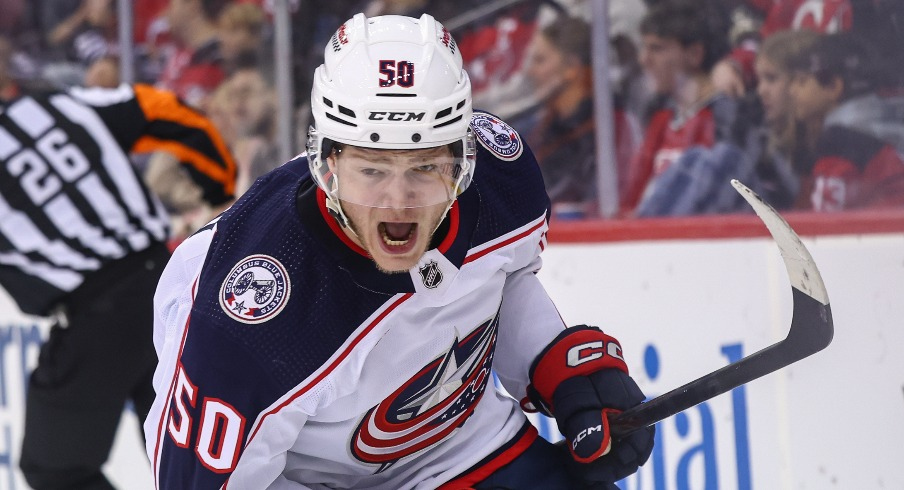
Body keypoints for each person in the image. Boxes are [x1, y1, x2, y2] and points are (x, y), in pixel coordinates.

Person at [145, 12, 654, 489]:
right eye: (372, 170)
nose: (399, 202)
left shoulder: (502, 182)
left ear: (462, 160)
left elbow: (504, 278)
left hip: (457, 445)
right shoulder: (245, 321)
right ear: (329, 166)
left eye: (425, 167)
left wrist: (558, 364)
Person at [0, 83, 236, 489]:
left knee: (56, 470)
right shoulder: (59, 104)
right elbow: (170, 111)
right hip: (171, 287)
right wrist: (220, 190)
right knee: (190, 464)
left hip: (97, 317)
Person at [619, 0, 738, 214]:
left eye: (657, 48)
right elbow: (633, 202)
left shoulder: (725, 119)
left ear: (694, 54)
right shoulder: (662, 118)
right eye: (644, 48)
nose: (644, 60)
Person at [522, 15, 639, 219]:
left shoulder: (613, 127)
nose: (530, 71)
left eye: (540, 60)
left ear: (571, 69)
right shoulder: (539, 127)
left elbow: (605, 205)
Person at [787, 32, 904, 211]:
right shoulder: (891, 121)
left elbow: (824, 224)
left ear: (834, 87)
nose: (792, 91)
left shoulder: (839, 140)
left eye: (802, 82)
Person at [749, 28, 819, 209]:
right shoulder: (761, 141)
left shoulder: (818, 145)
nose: (761, 91)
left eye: (771, 79)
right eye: (759, 80)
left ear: (800, 80)